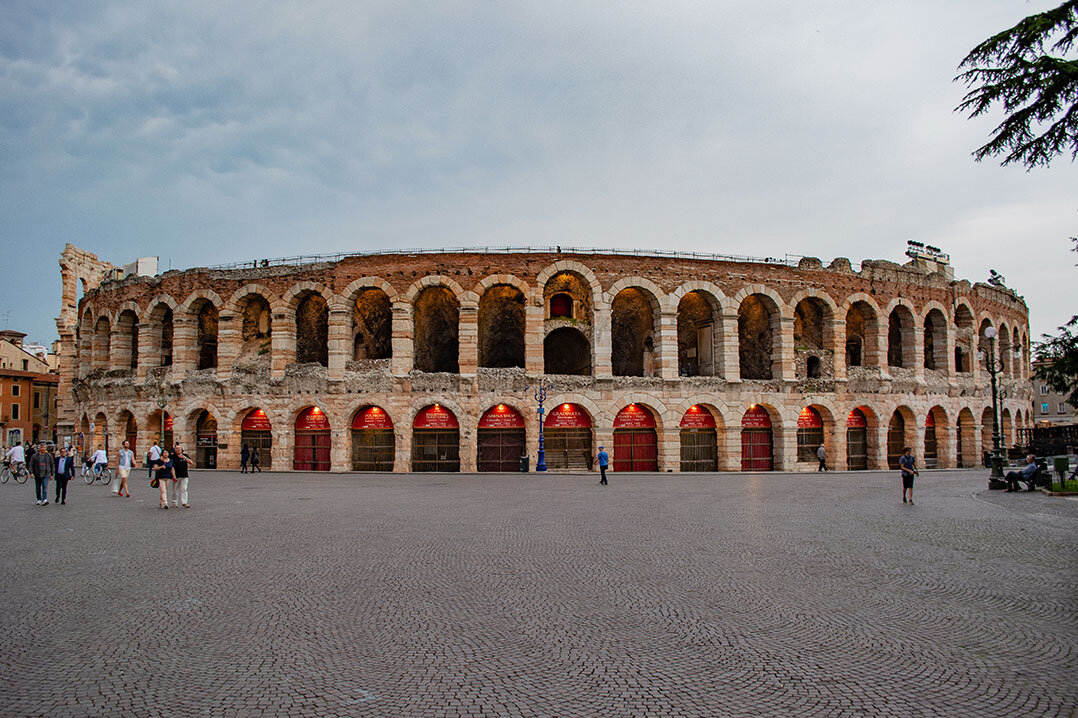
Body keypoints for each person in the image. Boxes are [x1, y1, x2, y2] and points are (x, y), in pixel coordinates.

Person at [170, 444, 191, 509]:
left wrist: (184, 457)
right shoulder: (173, 457)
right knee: (175, 490)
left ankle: (184, 502)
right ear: (175, 450)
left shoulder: (185, 456)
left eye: (180, 449)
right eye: (177, 449)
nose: (179, 450)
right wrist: (173, 476)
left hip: (184, 475)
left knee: (184, 489)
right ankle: (174, 502)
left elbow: (191, 462)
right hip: (176, 475)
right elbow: (172, 467)